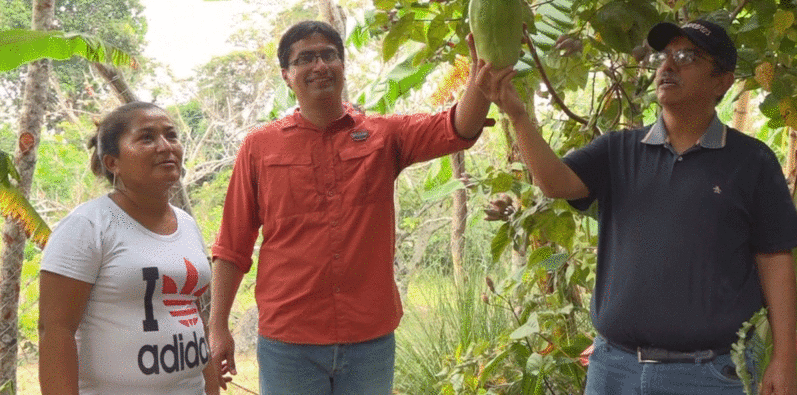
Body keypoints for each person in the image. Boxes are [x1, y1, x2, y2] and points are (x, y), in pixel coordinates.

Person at [488, 19, 797, 394]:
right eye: (664, 56)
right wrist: (518, 116)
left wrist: (785, 358)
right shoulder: (617, 150)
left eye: (687, 56)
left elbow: (776, 262)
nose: (668, 66)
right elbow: (554, 183)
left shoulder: (752, 162)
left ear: (723, 81)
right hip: (614, 371)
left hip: (709, 376)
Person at [208, 20, 509, 394]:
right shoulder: (259, 148)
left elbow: (457, 128)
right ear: (287, 76)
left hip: (370, 339)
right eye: (305, 59)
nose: (319, 66)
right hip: (290, 341)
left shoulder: (384, 135)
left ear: (342, 65)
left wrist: (481, 76)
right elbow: (232, 245)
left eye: (328, 55)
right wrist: (217, 327)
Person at [38, 102, 222, 395]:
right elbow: (55, 330)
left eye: (171, 135)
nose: (165, 146)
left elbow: (195, 320)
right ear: (113, 162)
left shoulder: (187, 224)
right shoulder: (88, 226)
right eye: (146, 138)